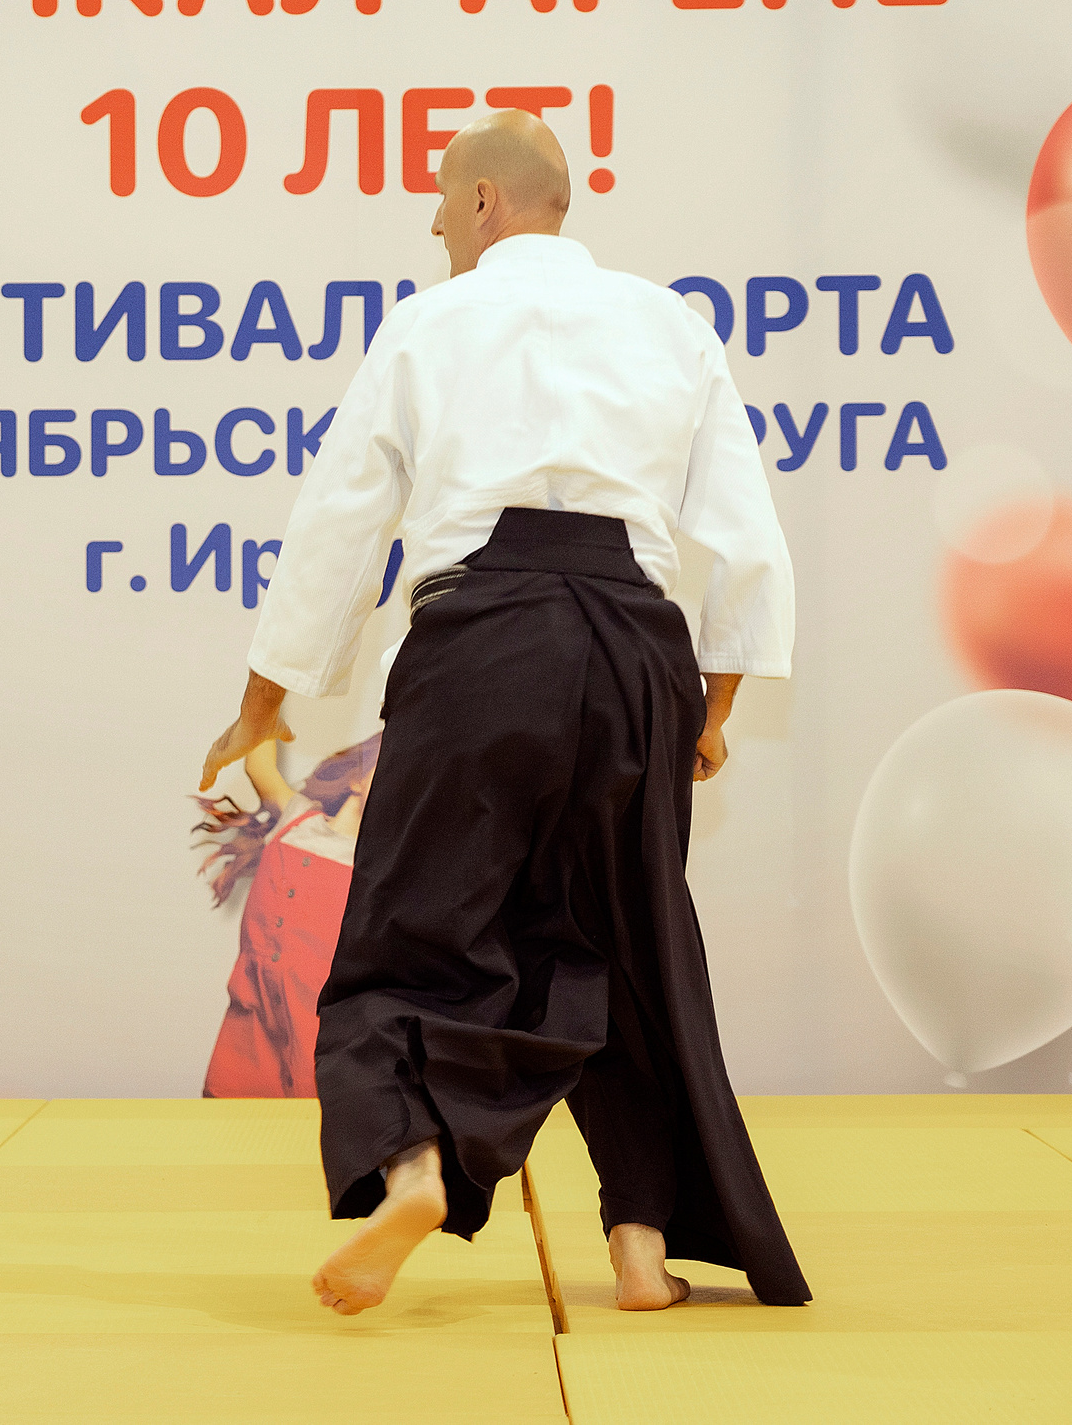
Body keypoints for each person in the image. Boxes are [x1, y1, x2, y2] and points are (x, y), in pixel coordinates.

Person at [198, 110, 808, 1317]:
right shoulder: (668, 325)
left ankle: (414, 1165)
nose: (429, 223)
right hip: (634, 645)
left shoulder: (430, 323)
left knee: (415, 926)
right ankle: (642, 1253)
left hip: (482, 643)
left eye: (437, 198)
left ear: (485, 200)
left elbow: (339, 521)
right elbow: (743, 534)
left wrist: (262, 699)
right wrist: (712, 702)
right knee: (635, 946)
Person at [196, 734, 379, 1098]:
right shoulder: (297, 819)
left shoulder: (380, 871)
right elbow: (258, 764)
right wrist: (274, 682)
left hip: (319, 1045)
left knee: (302, 1146)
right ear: (357, 779)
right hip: (249, 1033)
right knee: (223, 1139)